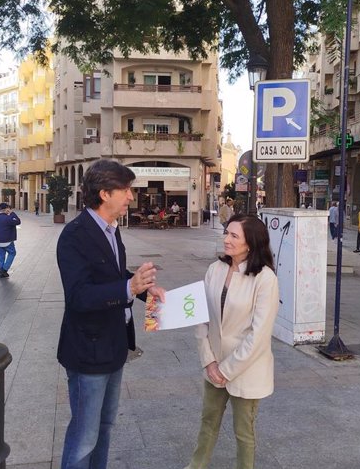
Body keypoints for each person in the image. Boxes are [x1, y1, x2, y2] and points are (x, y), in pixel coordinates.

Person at [56, 159, 166, 469]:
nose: (131, 197)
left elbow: (113, 275)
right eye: (126, 190)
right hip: (88, 352)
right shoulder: (75, 236)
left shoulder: (111, 230)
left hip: (115, 346)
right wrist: (128, 287)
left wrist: (143, 289)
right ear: (105, 194)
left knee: (104, 428)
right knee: (84, 436)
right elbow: (78, 296)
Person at [185, 214, 280, 469]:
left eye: (234, 235)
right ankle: (196, 465)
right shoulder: (214, 270)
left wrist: (226, 370)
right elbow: (201, 318)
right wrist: (209, 361)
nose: (226, 239)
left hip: (245, 369)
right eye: (226, 233)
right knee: (208, 422)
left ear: (251, 243)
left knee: (244, 433)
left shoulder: (265, 279)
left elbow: (258, 336)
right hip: (214, 363)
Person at [0, 202, 21, 278]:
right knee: (12, 253)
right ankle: (4, 270)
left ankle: (1, 273)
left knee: (1, 256)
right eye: (9, 208)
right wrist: (12, 213)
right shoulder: (8, 218)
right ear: (6, 209)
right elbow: (18, 221)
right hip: (7, 241)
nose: (9, 209)